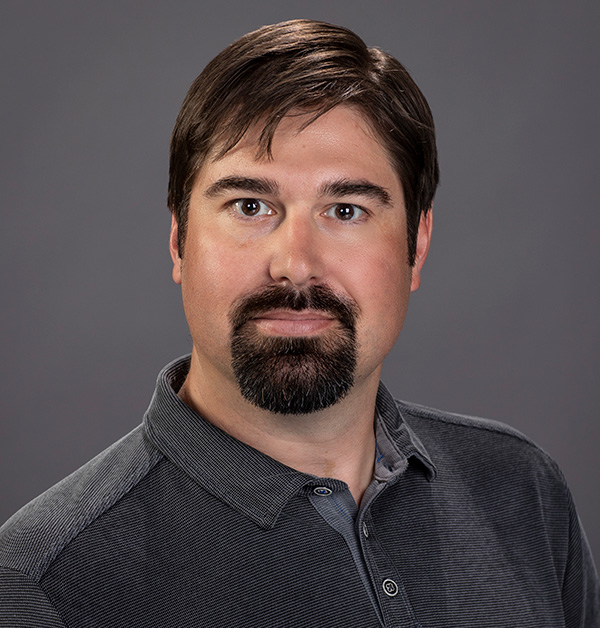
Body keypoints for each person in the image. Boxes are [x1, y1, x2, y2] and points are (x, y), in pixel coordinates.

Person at [0, 18, 598, 627]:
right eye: (250, 206)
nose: (295, 264)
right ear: (179, 241)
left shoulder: (524, 493)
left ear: (416, 245)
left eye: (345, 210)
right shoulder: (44, 583)